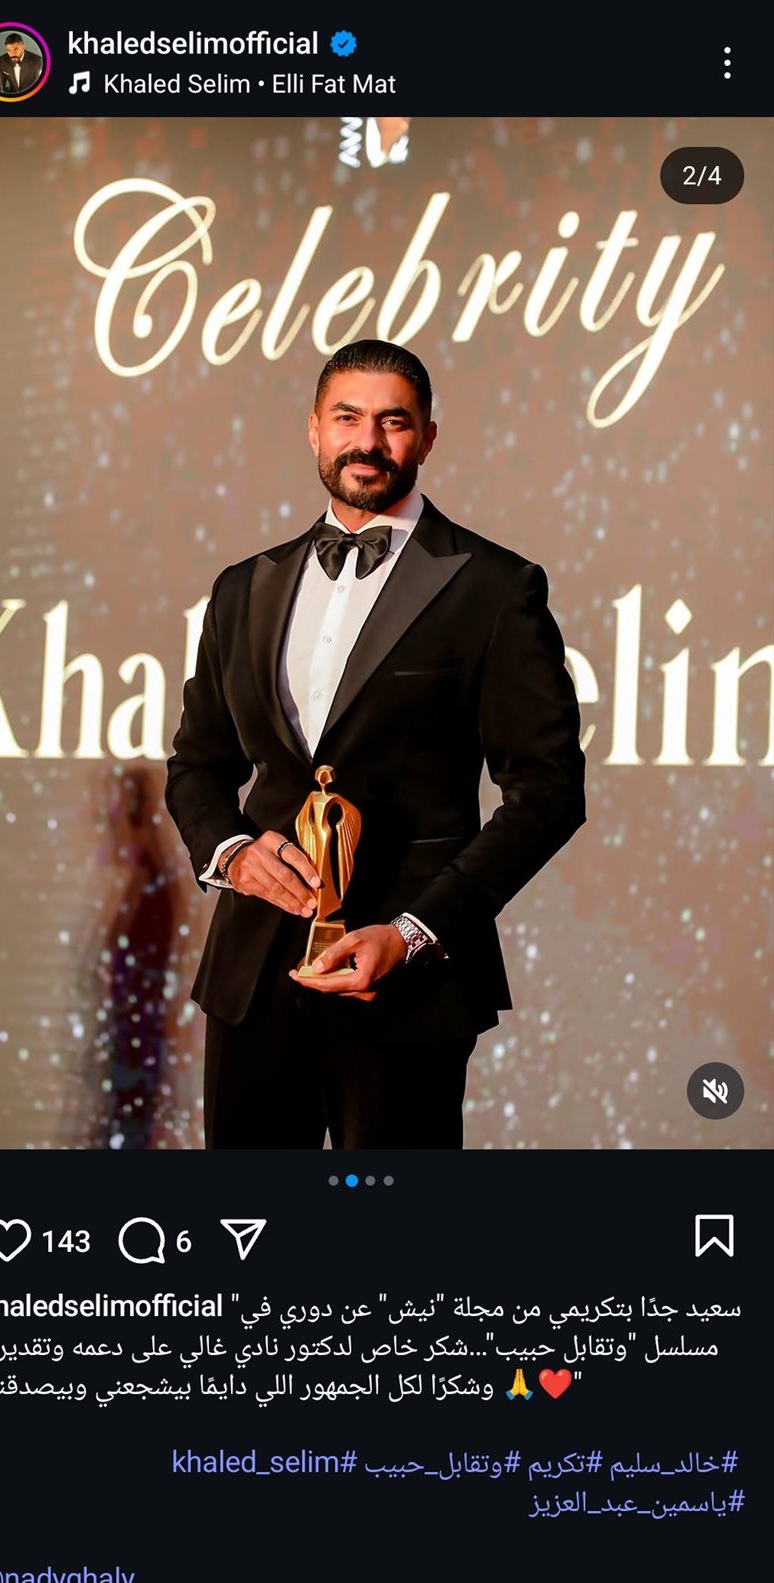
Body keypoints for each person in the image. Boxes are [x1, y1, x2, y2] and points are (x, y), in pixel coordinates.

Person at [165, 339, 585, 1148]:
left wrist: (415, 933)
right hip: (254, 975)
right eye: (347, 418)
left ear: (427, 437)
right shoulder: (242, 588)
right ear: (314, 430)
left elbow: (548, 792)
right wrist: (230, 851)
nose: (368, 441)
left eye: (393, 422)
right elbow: (198, 766)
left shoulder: (495, 587)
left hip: (408, 981)